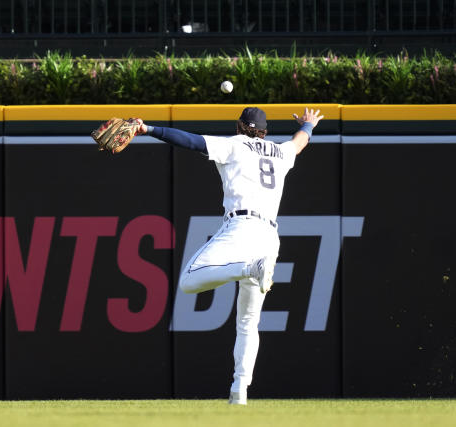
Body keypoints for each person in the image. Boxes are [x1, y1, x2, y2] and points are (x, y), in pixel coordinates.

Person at [135, 106, 324, 405]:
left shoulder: (234, 144)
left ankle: (250, 267)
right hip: (269, 236)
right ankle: (239, 393)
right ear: (264, 131)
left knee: (188, 281)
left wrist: (149, 129)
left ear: (239, 126)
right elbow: (300, 142)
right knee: (248, 321)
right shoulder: (280, 151)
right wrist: (308, 125)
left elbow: (191, 141)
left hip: (241, 226)